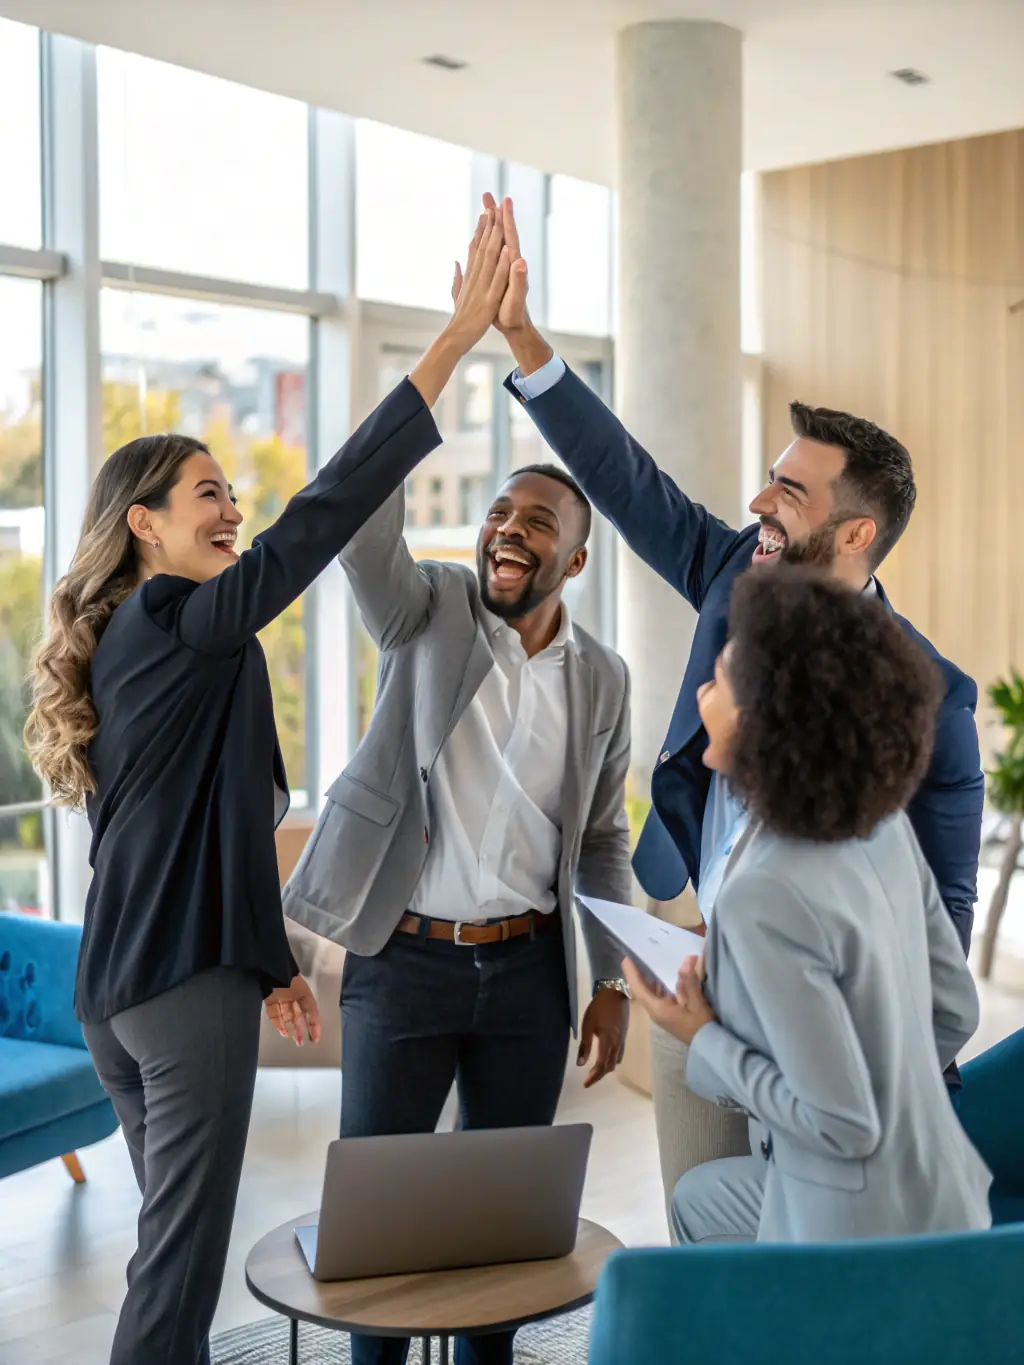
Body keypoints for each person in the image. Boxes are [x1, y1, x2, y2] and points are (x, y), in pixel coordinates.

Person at [22, 209, 513, 1365]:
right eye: (205, 491)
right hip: (176, 994)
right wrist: (450, 346)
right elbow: (322, 516)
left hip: (122, 993)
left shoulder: (158, 646)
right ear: (142, 527)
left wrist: (277, 968)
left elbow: (214, 834)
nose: (231, 503)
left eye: (228, 485)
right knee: (181, 1267)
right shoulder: (169, 619)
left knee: (165, 1254)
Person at [476, 192, 984, 1203]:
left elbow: (940, 915)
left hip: (824, 1015)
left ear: (852, 537)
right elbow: (627, 481)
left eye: (788, 494)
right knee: (701, 1207)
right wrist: (524, 339)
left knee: (806, 1234)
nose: (757, 502)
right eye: (767, 478)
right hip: (695, 954)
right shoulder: (729, 569)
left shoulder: (934, 700)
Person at [283, 232, 633, 1365]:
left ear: (575, 558)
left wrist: (611, 979)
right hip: (405, 962)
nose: (507, 531)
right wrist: (455, 342)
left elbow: (599, 839)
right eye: (497, 515)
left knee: (501, 1237)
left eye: (537, 521)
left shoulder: (603, 677)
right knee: (378, 1232)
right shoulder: (424, 612)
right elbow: (353, 511)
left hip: (530, 972)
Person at [624, 570, 992, 1244]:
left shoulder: (762, 891)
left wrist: (698, 1031)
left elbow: (842, 1124)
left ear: (769, 718)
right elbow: (957, 1008)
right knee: (698, 1199)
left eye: (721, 681)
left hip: (851, 1230)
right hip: (946, 1193)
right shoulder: (882, 827)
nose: (701, 693)